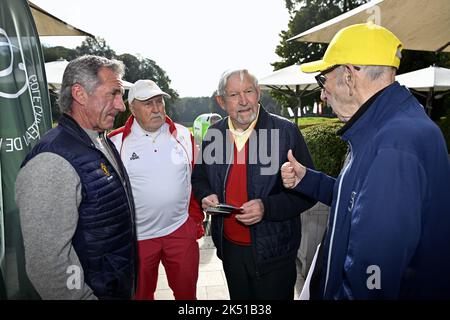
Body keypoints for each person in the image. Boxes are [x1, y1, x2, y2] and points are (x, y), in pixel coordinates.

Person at [281, 22, 450, 299]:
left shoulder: (394, 144)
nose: (323, 93)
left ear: (348, 75)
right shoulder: (384, 127)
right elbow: (357, 202)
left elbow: (372, 277)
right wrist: (308, 180)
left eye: (324, 80)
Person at [15, 55, 137, 299]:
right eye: (113, 94)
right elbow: (48, 265)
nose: (121, 105)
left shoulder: (99, 139)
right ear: (80, 94)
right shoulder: (51, 162)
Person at [191, 69, 316, 300]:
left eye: (249, 91)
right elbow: (199, 178)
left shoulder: (286, 132)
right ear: (221, 101)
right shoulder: (213, 135)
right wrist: (206, 194)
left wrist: (266, 208)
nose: (243, 101)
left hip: (275, 253)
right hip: (230, 249)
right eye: (234, 95)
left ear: (258, 93)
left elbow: (308, 192)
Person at [109, 79, 205, 300]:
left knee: (187, 295)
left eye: (159, 101)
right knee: (140, 296)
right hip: (138, 237)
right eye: (148, 103)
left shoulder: (182, 135)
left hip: (179, 230)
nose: (156, 108)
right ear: (132, 108)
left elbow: (197, 178)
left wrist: (195, 219)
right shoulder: (116, 142)